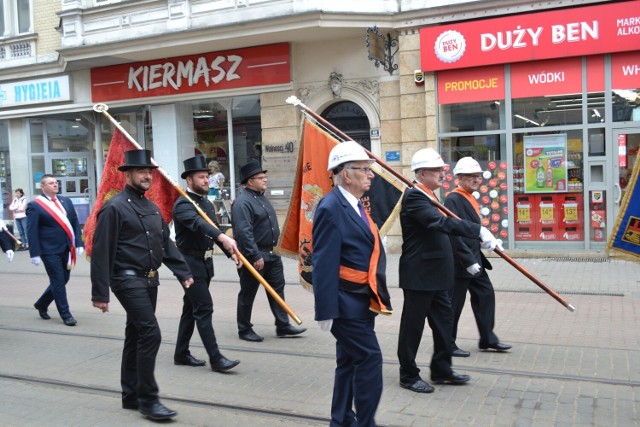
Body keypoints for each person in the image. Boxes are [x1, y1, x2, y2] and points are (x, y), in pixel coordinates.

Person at [90, 149, 194, 421]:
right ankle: (149, 400)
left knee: (136, 335)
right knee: (151, 334)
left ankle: (131, 395)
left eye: (150, 172)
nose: (147, 176)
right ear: (127, 174)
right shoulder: (114, 207)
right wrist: (100, 293)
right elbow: (101, 251)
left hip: (150, 279)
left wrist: (183, 271)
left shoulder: (151, 207)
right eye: (141, 171)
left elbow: (164, 243)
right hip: (126, 279)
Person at [397, 148, 500, 394]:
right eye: (437, 171)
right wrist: (477, 231)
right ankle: (408, 375)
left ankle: (442, 369)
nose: (443, 174)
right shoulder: (414, 197)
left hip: (438, 276)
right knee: (413, 328)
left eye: (443, 170)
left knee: (444, 324)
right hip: (420, 275)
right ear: (421, 174)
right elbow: (439, 223)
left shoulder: (429, 195)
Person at [312, 141, 393, 427]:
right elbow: (323, 262)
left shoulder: (355, 205)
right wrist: (325, 310)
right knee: (370, 359)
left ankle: (342, 419)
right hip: (344, 303)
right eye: (364, 169)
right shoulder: (331, 207)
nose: (371, 174)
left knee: (348, 362)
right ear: (346, 174)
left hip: (362, 299)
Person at [173, 155, 240, 372]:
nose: (206, 181)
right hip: (189, 265)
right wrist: (223, 238)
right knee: (203, 308)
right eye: (201, 177)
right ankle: (216, 359)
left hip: (205, 263)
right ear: (189, 180)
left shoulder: (206, 203)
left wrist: (229, 252)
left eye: (206, 177)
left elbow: (215, 233)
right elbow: (199, 225)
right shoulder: (183, 204)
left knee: (190, 308)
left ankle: (181, 353)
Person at [231, 160, 306, 342]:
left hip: (272, 254)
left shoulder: (261, 197)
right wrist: (254, 255)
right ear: (250, 181)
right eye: (261, 178)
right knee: (248, 293)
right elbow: (244, 232)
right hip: (255, 255)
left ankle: (282, 325)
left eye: (265, 177)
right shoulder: (242, 203)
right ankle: (244, 329)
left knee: (277, 290)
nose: (265, 180)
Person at [444, 157, 511, 357]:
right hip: (461, 261)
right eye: (471, 176)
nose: (476, 179)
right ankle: (448, 343)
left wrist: (486, 241)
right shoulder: (453, 199)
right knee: (454, 303)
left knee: (485, 294)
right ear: (460, 178)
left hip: (475, 258)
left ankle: (487, 338)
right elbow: (454, 233)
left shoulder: (470, 197)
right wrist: (468, 261)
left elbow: (471, 229)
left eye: (478, 176)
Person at [27, 174, 84, 326]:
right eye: (51, 183)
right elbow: (31, 231)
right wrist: (35, 253)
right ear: (43, 187)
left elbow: (74, 223)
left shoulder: (66, 201)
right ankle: (66, 314)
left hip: (66, 248)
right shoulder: (35, 205)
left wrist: (79, 243)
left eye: (56, 183)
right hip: (48, 250)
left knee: (64, 279)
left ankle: (41, 303)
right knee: (58, 281)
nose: (55, 185)